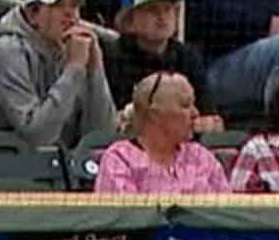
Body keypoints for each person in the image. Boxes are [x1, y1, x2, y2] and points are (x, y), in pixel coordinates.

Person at [0, 0, 114, 150]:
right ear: (33, 14)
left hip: (55, 165)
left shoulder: (73, 49)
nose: (70, 14)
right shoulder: (8, 50)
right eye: (58, 5)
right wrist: (74, 69)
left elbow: (102, 136)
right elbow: (38, 135)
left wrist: (95, 69)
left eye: (74, 5)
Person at [94, 70, 229, 194]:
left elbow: (227, 213)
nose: (195, 113)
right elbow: (123, 217)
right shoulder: (120, 159)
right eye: (185, 105)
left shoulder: (202, 158)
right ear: (155, 113)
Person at [102, 0, 208, 114]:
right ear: (130, 20)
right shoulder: (112, 59)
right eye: (152, 9)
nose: (162, 17)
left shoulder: (188, 58)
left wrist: (208, 123)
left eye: (167, 9)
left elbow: (208, 112)